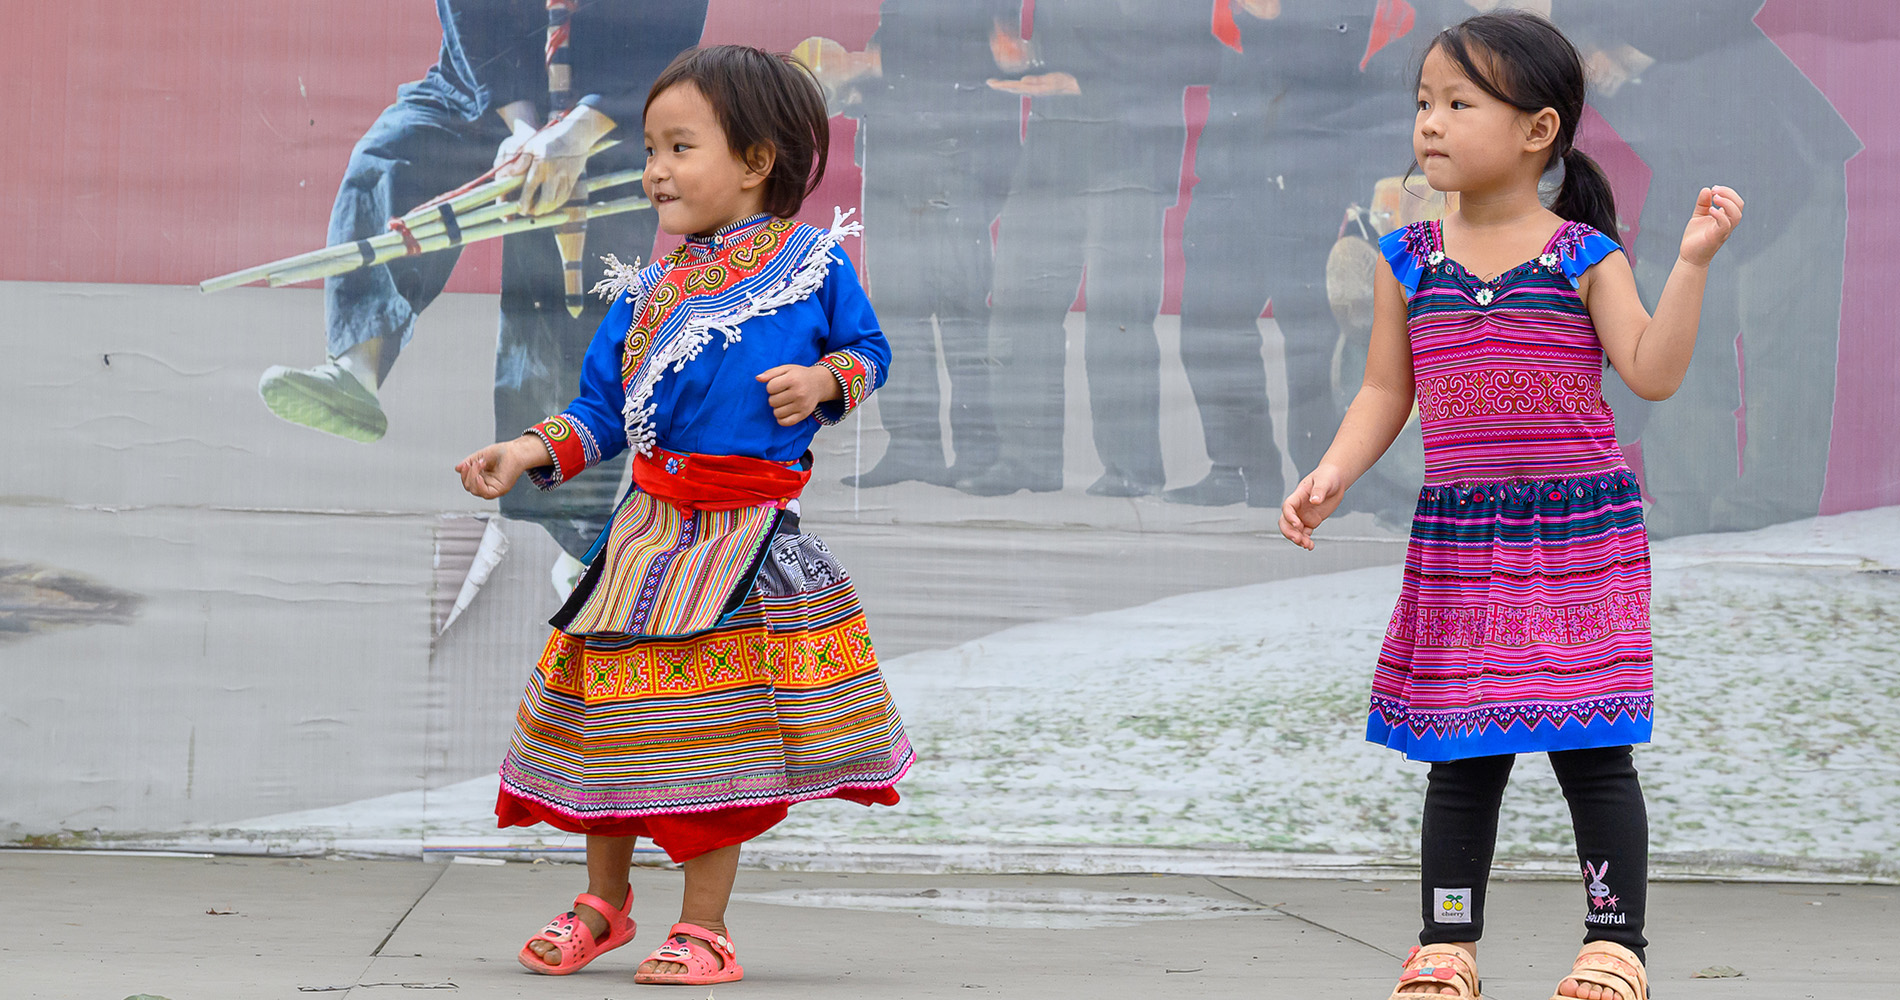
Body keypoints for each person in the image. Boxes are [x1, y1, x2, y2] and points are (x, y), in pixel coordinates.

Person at [1278, 12, 1742, 1000]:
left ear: (1538, 131)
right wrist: (1331, 471)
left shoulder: (1585, 256)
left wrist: (1692, 262)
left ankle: (1615, 945)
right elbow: (1382, 393)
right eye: (1421, 104)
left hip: (1579, 537)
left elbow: (1651, 372)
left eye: (1457, 104)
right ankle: (1446, 944)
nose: (1429, 124)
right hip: (1462, 535)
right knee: (1463, 747)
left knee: (1590, 744)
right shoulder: (1405, 258)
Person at [453, 46, 910, 985]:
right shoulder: (647, 292)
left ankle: (706, 927)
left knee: (716, 734)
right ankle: (605, 905)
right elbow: (599, 415)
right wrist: (525, 450)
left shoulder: (815, 266)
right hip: (644, 543)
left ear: (756, 161)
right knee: (609, 727)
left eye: (678, 147)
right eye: (652, 149)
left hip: (739, 545)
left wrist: (828, 379)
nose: (655, 169)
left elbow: (872, 352)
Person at [260, 0, 708, 595]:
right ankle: (355, 372)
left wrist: (571, 135)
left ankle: (584, 537)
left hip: (616, 110)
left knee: (567, 303)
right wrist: (524, 133)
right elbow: (476, 22)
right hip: (484, 88)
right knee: (391, 156)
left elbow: (662, 50)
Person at [958, 0, 1217, 497]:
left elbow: (1199, 57)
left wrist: (1087, 82)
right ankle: (1027, 460)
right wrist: (1004, 32)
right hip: (1052, 148)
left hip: (1129, 151)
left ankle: (1132, 468)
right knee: (1017, 305)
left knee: (1116, 318)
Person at [1170, 0, 1420, 508]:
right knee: (1207, 328)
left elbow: (1335, 61)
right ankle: (1239, 468)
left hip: (1306, 185)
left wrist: (1271, 17)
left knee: (1308, 339)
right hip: (1230, 178)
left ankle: (1326, 482)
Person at [806, 1, 1022, 489]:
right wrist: (865, 88)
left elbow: (988, 53)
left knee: (961, 309)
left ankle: (979, 450)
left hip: (955, 160)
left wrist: (870, 65)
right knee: (898, 311)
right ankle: (911, 446)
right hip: (894, 157)